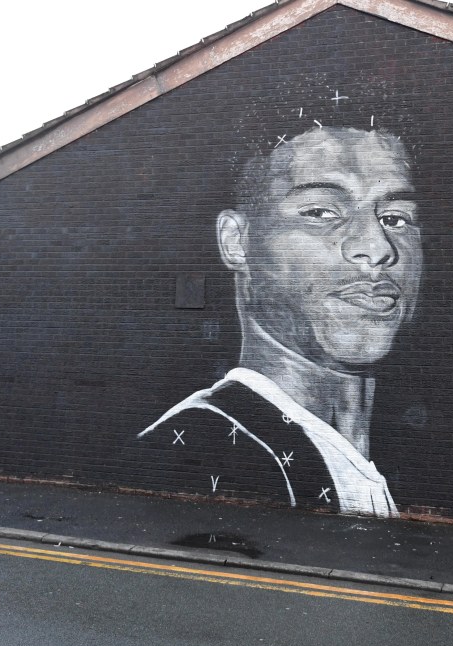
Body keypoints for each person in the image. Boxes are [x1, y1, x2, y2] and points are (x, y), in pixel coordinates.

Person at [139, 126, 422, 517]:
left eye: (396, 218)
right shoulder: (198, 450)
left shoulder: (424, 450)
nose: (376, 248)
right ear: (237, 241)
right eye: (321, 213)